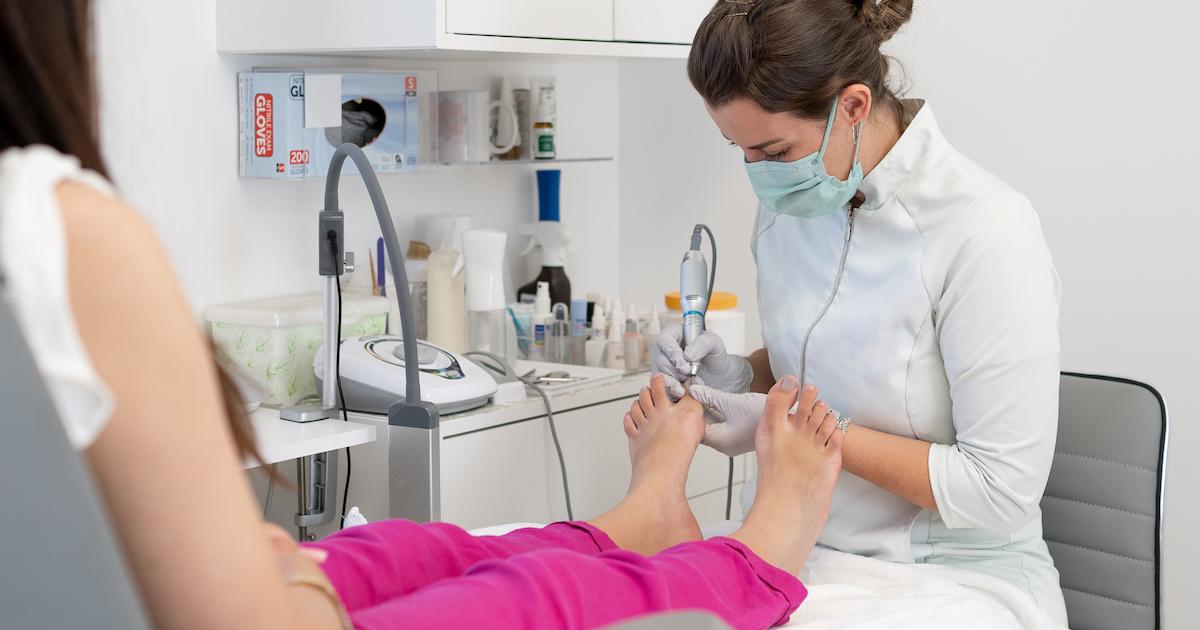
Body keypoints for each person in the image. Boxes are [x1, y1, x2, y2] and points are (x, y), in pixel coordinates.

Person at [0, 2, 846, 629]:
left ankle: (630, 521)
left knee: (406, 552)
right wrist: (285, 587)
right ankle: (760, 554)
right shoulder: (56, 226)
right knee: (527, 599)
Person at [653, 0, 1067, 623]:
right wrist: (739, 379)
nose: (757, 177)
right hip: (796, 547)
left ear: (851, 107)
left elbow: (999, 493)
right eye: (738, 150)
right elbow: (819, 357)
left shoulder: (983, 230)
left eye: (772, 151)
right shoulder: (789, 209)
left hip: (948, 577)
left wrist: (803, 430)